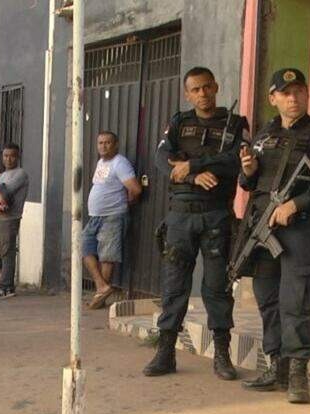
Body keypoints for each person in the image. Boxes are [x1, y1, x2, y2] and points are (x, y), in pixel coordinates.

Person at [236, 68, 310, 403]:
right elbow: (249, 185)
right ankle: (277, 365)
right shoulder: (262, 136)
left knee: (296, 298)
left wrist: (296, 203)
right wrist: (248, 173)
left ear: (307, 94)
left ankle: (298, 372)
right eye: (285, 93)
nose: (293, 98)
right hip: (262, 228)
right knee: (267, 297)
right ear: (273, 98)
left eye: (299, 91)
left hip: (299, 227)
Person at [143, 67, 248, 381]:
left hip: (217, 215)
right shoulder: (179, 123)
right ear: (187, 93)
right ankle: (165, 352)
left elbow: (234, 161)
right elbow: (162, 160)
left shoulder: (234, 125)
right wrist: (192, 175)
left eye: (207, 88)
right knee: (174, 286)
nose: (202, 94)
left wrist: (194, 162)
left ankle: (222, 355)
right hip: (180, 215)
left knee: (217, 287)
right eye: (195, 90)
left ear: (216, 87)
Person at [82, 132, 141, 309]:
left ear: (116, 144)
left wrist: (125, 203)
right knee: (85, 248)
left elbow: (135, 189)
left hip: (112, 216)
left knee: (107, 256)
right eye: (100, 142)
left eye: (108, 143)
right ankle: (102, 286)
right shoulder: (101, 162)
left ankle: (100, 296)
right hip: (95, 217)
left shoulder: (120, 163)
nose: (103, 146)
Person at [0, 143, 29, 301]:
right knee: (3, 252)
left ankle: (5, 287)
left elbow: (4, 192)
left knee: (8, 251)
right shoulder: (1, 175)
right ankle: (7, 284)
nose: (8, 159)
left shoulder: (20, 174)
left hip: (9, 219)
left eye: (12, 156)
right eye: (5, 156)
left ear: (17, 157)